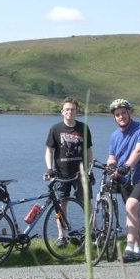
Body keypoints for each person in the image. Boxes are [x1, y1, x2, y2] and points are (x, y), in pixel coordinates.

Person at [107, 98, 140, 263]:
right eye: (117, 115)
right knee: (134, 211)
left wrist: (126, 166)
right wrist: (111, 168)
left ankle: (128, 247)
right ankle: (139, 249)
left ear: (129, 113)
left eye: (123, 113)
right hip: (125, 179)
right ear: (114, 118)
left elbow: (139, 150)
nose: (121, 117)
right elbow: (112, 156)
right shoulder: (114, 135)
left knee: (130, 206)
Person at [44, 97, 95, 246]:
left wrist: (90, 170)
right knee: (61, 204)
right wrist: (49, 168)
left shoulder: (83, 128)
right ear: (62, 112)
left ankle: (93, 232)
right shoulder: (55, 129)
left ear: (77, 111)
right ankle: (62, 235)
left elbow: (89, 150)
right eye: (67, 109)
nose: (69, 111)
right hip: (61, 174)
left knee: (86, 203)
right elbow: (49, 151)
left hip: (81, 173)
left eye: (72, 109)